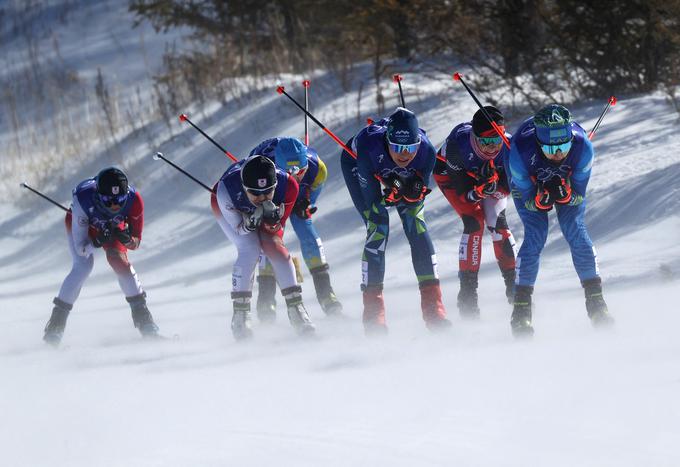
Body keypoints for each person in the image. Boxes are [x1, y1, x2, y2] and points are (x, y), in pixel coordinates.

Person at [340, 107, 450, 334]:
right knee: (378, 226)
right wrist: (389, 190)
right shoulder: (370, 145)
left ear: (418, 143)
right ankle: (373, 315)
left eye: (410, 147)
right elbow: (373, 198)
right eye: (397, 147)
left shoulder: (426, 151)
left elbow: (417, 192)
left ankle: (434, 310)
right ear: (387, 141)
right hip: (359, 163)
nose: (404, 154)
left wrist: (408, 190)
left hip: (391, 170)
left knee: (416, 225)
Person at [507, 103, 613, 337]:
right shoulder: (519, 152)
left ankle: (596, 302)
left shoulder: (583, 147)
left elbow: (578, 196)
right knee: (536, 234)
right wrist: (539, 200)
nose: (558, 153)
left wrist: (567, 194)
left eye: (564, 146)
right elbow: (527, 200)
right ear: (538, 142)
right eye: (551, 148)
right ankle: (521, 310)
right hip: (528, 181)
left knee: (574, 227)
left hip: (566, 181)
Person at [43, 167, 160, 346]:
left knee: (118, 261)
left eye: (120, 200)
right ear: (98, 195)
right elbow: (81, 248)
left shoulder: (135, 200)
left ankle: (147, 325)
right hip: (84, 226)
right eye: (108, 200)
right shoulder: (83, 199)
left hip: (113, 228)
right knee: (83, 267)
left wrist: (127, 239)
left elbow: (136, 244)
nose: (115, 205)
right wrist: (97, 241)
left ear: (126, 194)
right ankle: (55, 330)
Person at [211, 154, 315, 339]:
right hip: (232, 209)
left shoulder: (289, 185)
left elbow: (277, 230)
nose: (262, 197)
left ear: (275, 185)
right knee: (249, 248)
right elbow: (239, 229)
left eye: (268, 192)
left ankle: (297, 310)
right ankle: (240, 317)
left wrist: (272, 220)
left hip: (253, 210)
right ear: (244, 188)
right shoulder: (226, 190)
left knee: (275, 247)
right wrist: (249, 224)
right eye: (255, 193)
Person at [433, 106, 517, 318]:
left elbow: (509, 188)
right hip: (450, 176)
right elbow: (463, 194)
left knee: (498, 223)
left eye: (496, 141)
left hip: (489, 180)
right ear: (474, 138)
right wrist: (479, 190)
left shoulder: (509, 145)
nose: (492, 148)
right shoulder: (458, 146)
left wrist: (494, 183)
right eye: (486, 142)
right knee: (474, 223)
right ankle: (468, 293)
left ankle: (515, 286)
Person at [248, 137, 342, 321]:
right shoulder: (262, 167)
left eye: (302, 170)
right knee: (269, 238)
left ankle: (326, 295)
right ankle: (266, 301)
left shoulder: (317, 169)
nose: (297, 175)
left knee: (306, 230)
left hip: (294, 196)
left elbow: (312, 194)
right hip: (269, 194)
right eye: (291, 171)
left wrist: (306, 201)